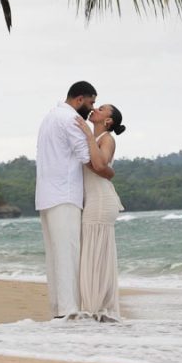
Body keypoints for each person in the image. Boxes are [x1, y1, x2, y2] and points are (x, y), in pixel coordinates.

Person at [35, 81, 113, 319]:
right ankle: (69, 312)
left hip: (46, 195)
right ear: (79, 99)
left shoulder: (50, 117)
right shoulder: (70, 120)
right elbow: (90, 160)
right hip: (65, 194)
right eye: (90, 102)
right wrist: (108, 170)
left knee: (55, 256)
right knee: (68, 254)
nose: (91, 109)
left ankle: (59, 310)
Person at [75, 104, 126, 322]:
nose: (95, 108)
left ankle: (95, 307)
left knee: (95, 253)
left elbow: (100, 163)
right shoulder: (94, 138)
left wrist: (87, 132)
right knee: (92, 253)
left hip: (101, 201)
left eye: (102, 108)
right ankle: (94, 305)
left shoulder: (107, 139)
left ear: (108, 121)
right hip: (92, 200)